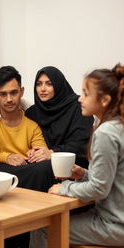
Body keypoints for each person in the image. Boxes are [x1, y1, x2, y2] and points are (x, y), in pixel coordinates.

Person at [30, 63, 124, 247]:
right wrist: (83, 174)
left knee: (41, 226)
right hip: (116, 219)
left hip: (114, 225)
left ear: (104, 100)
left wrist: (64, 188)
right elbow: (109, 180)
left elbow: (99, 189)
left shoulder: (105, 133)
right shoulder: (117, 126)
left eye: (86, 94)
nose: (80, 99)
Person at [0, 66, 56, 192]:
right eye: (3, 94)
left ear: (21, 91)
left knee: (48, 166)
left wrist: (36, 153)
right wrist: (7, 157)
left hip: (26, 167)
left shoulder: (32, 123)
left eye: (14, 93)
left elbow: (41, 148)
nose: (9, 99)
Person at [25, 66, 94, 168]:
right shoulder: (31, 113)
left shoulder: (79, 108)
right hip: (40, 164)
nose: (42, 89)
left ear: (58, 85)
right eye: (39, 84)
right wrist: (32, 152)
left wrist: (52, 153)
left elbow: (81, 146)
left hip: (74, 166)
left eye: (49, 84)